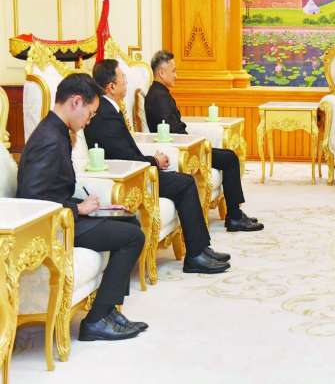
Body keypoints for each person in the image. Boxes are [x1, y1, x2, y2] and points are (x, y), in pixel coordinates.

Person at [16, 73, 148, 341]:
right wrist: (78, 210)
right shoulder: (49, 138)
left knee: (128, 218)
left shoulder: (56, 131)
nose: (89, 121)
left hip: (63, 215)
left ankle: (109, 309)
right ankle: (96, 321)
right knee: (133, 237)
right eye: (90, 113)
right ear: (76, 102)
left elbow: (53, 190)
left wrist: (98, 207)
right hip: (52, 227)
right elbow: (32, 199)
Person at [84, 59, 231, 274]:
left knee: (184, 182)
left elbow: (127, 151)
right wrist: (154, 161)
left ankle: (200, 249)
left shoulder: (109, 109)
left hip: (137, 170)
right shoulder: (104, 114)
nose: (126, 81)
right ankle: (195, 255)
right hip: (130, 178)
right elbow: (122, 156)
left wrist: (152, 159)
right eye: (123, 78)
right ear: (111, 87)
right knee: (185, 184)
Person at [144, 50, 262, 232]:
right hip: (182, 151)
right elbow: (171, 131)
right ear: (161, 73)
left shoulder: (160, 93)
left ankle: (235, 214)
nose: (176, 75)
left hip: (187, 146)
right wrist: (195, 144)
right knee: (230, 159)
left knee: (228, 157)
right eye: (173, 71)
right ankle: (234, 216)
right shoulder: (158, 97)